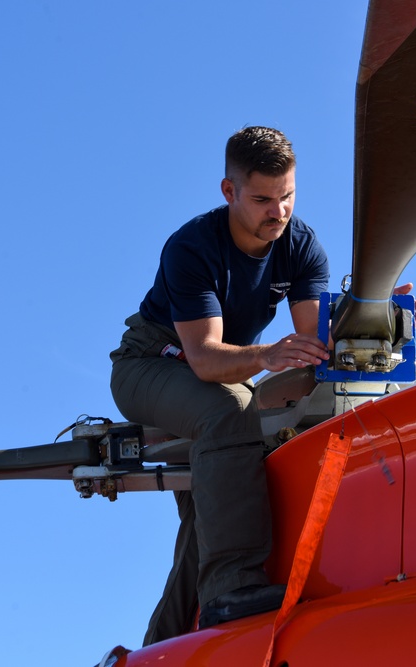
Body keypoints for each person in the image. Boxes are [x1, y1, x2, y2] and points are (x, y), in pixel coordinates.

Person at [110, 126, 332, 645]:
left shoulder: (300, 244)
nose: (277, 212)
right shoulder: (192, 247)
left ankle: (161, 647)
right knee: (232, 410)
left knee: (203, 531)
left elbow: (314, 338)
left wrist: (381, 319)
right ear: (229, 192)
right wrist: (267, 356)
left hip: (221, 375)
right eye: (261, 199)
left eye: (287, 197)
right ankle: (232, 588)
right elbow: (207, 360)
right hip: (151, 363)